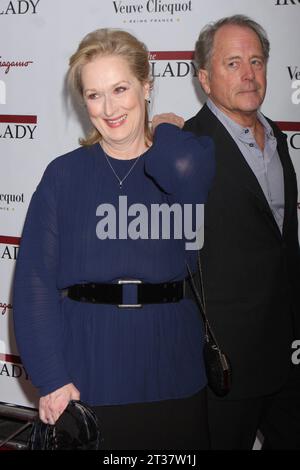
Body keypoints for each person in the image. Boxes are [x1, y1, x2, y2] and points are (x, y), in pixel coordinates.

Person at [13, 28, 215, 450]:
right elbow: (34, 284)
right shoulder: (64, 175)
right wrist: (51, 380)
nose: (109, 108)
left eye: (120, 88)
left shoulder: (178, 160)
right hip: (89, 370)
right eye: (94, 95)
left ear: (146, 85)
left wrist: (162, 128)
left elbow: (190, 166)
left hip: (173, 366)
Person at [153, 15, 300, 450]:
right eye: (232, 63)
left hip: (287, 359)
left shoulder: (276, 138)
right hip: (224, 368)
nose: (249, 74)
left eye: (256, 61)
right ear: (204, 78)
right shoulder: (186, 147)